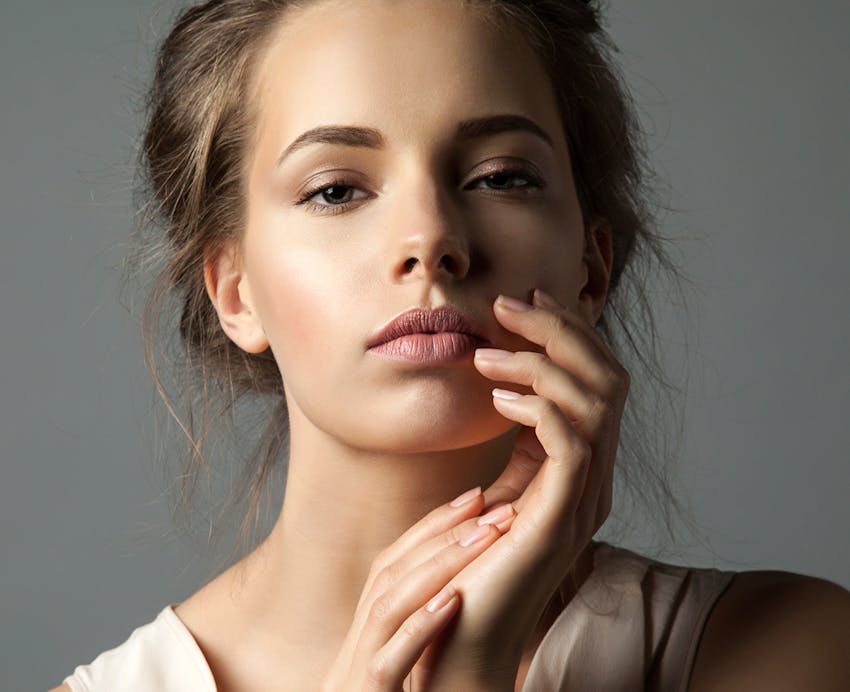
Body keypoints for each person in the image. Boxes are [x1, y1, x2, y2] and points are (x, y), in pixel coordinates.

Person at [55, 1, 850, 690]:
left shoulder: (787, 649)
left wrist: (469, 670)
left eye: (501, 177)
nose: (432, 239)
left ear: (592, 269)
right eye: (336, 190)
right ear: (234, 291)